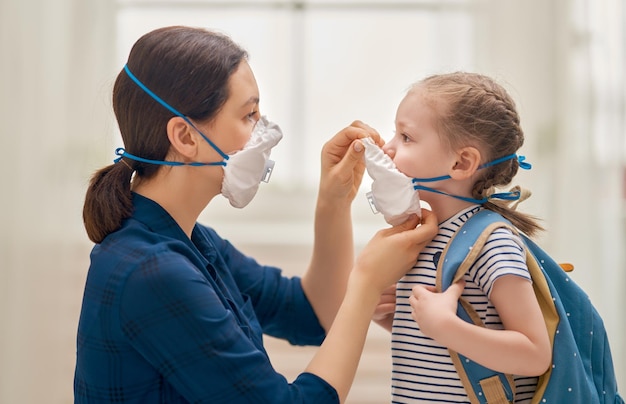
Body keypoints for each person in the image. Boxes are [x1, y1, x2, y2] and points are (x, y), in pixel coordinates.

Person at [74, 25, 438, 404]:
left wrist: (334, 201)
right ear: (185, 137)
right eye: (249, 115)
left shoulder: (194, 243)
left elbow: (313, 314)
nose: (262, 135)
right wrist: (366, 282)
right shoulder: (152, 271)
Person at [371, 72, 552, 403]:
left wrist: (445, 327)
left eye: (406, 137)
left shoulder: (491, 244)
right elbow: (451, 351)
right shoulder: (427, 236)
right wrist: (395, 318)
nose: (388, 147)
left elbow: (534, 354)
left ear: (461, 162)